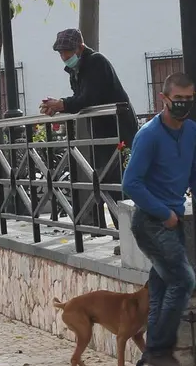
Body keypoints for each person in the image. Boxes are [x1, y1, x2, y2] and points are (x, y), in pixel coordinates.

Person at [121, 72, 196, 366]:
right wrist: (163, 211)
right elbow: (131, 183)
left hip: (173, 221)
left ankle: (151, 363)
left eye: (188, 100)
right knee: (183, 280)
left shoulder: (192, 132)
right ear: (163, 100)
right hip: (151, 222)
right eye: (177, 100)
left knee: (162, 287)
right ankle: (159, 354)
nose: (183, 106)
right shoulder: (149, 135)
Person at [40, 28, 139, 224]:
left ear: (80, 47)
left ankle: (130, 231)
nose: (64, 56)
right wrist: (60, 107)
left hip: (118, 130)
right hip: (102, 132)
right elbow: (81, 100)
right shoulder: (75, 71)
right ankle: (123, 232)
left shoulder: (96, 62)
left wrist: (62, 104)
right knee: (108, 183)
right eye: (60, 53)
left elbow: (89, 97)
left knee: (117, 182)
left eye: (66, 51)